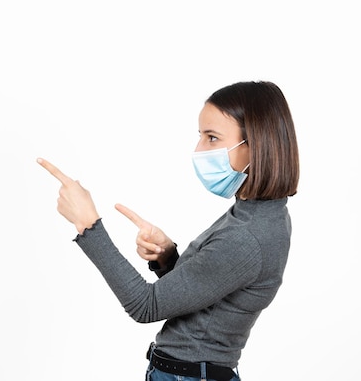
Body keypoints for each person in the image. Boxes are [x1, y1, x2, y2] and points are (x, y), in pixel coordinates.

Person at [37, 80, 299, 381]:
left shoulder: (247, 235)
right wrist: (167, 257)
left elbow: (145, 305)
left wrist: (88, 225)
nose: (199, 150)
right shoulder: (256, 212)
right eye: (200, 137)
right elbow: (209, 289)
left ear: (256, 145)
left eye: (212, 138)